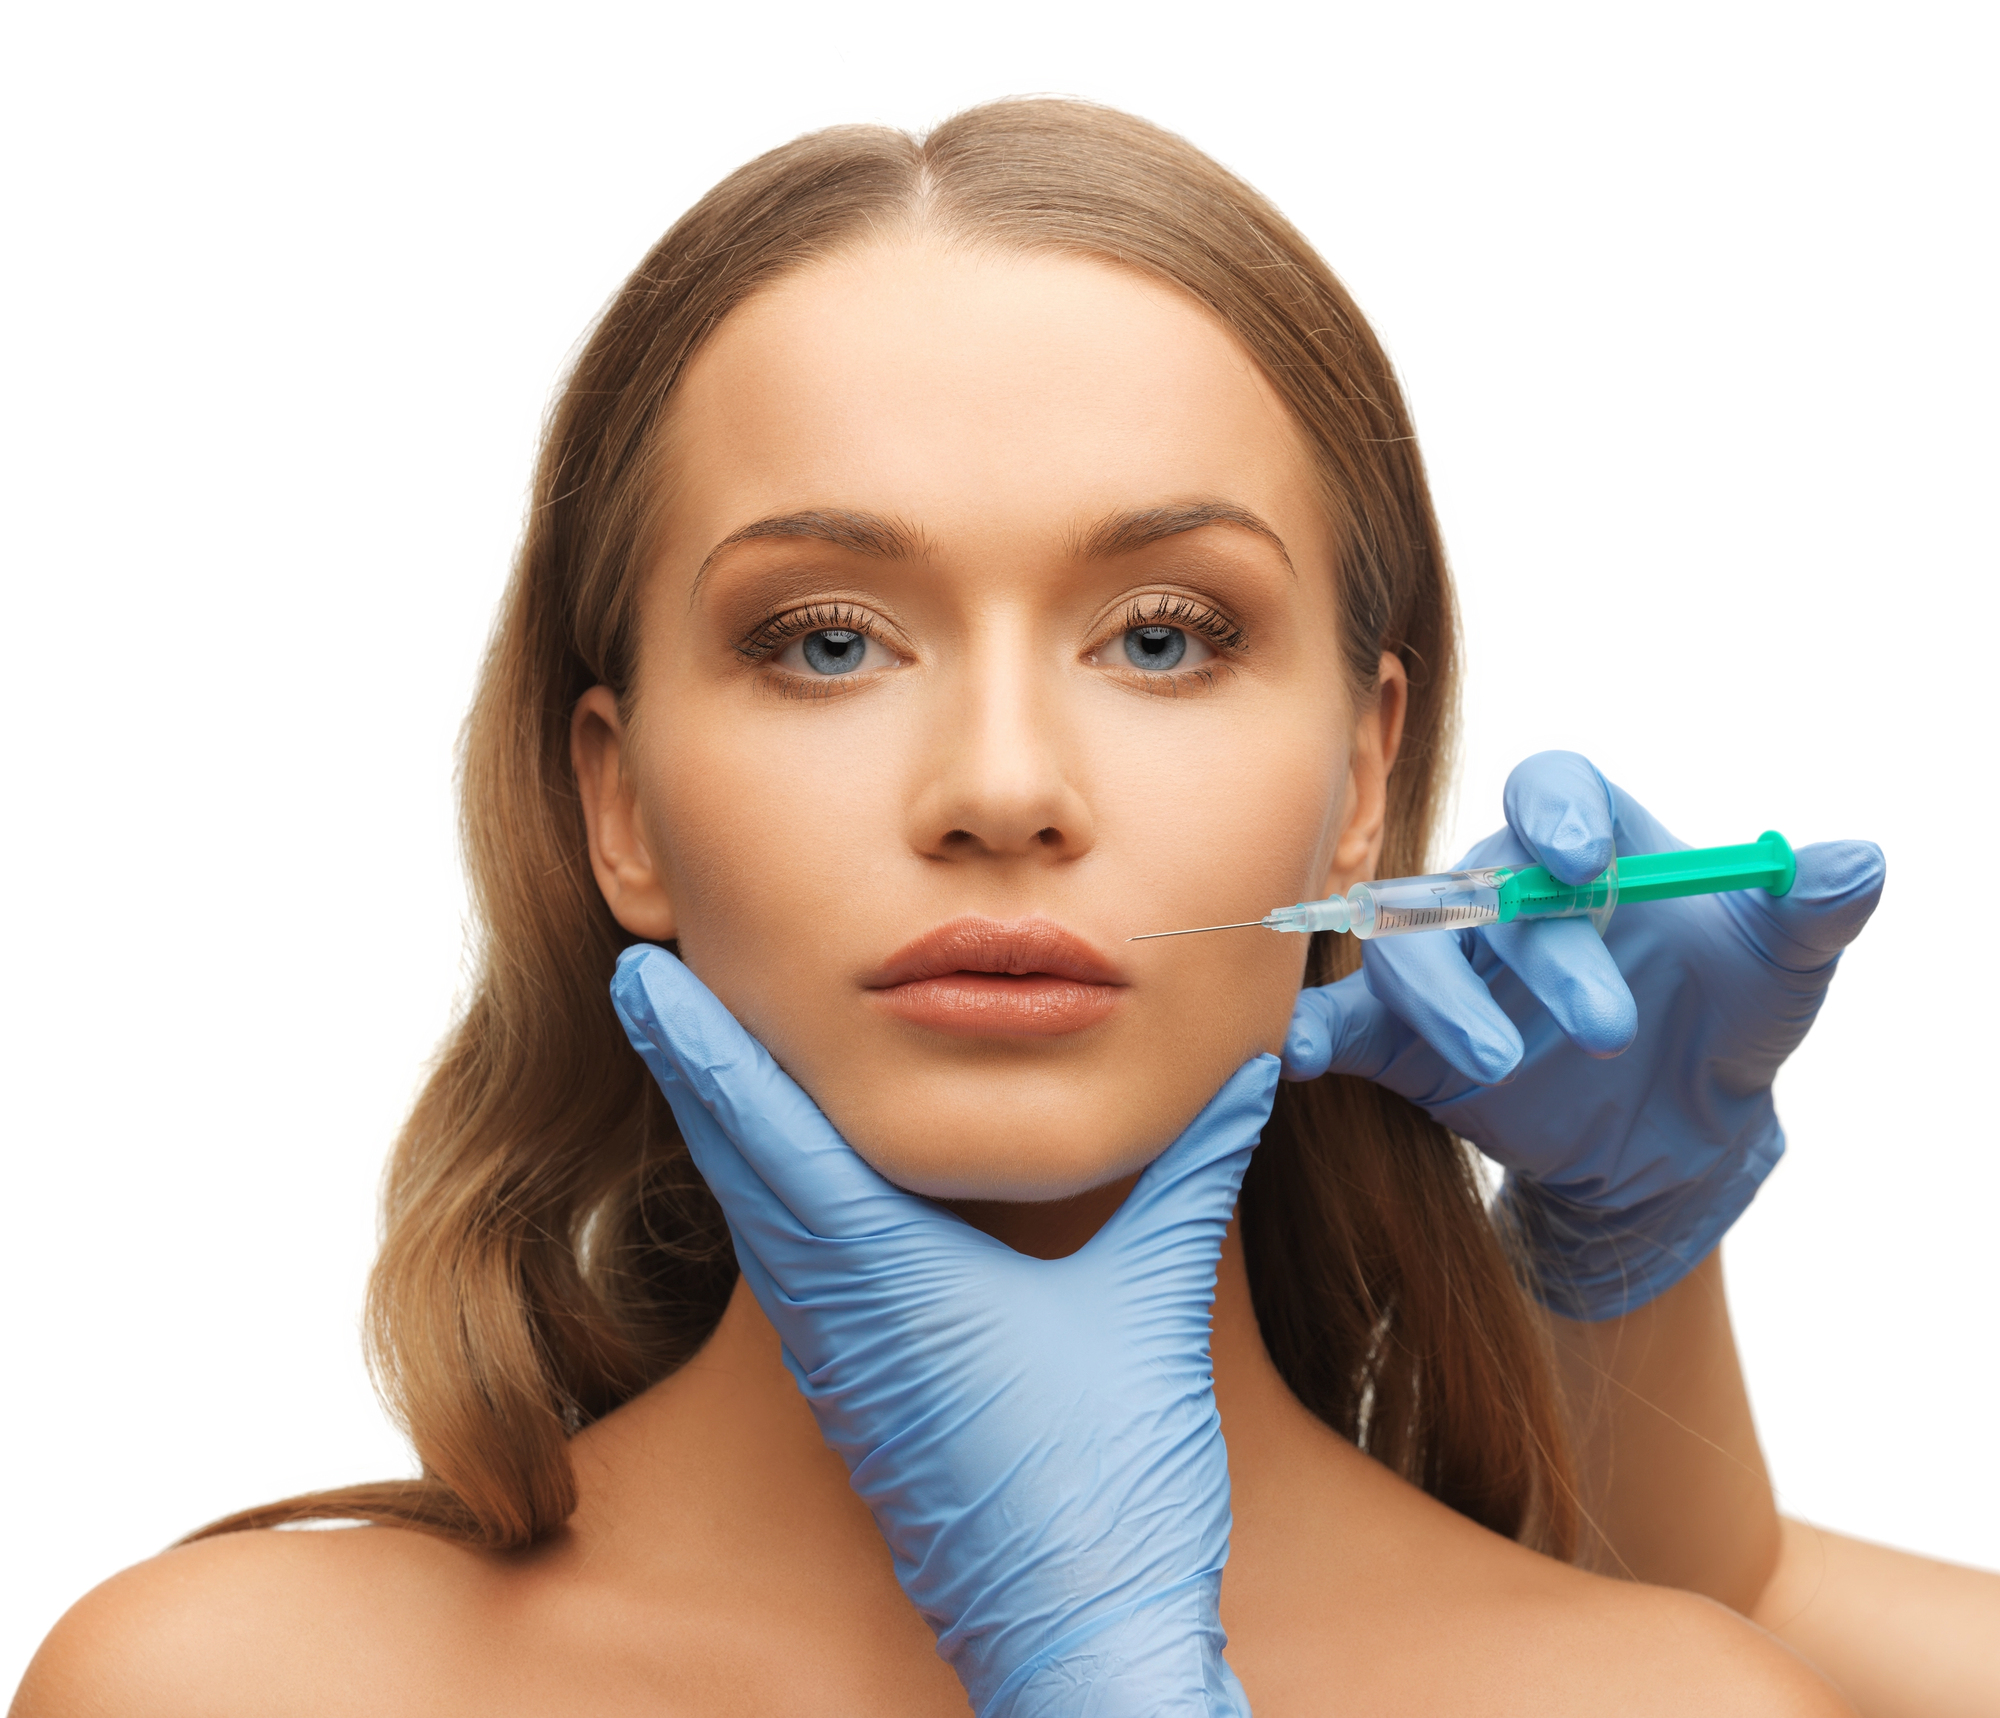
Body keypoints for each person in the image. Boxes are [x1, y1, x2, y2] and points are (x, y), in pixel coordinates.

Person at [17, 99, 1995, 1717]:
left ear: (1360, 786)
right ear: (614, 801)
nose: (998, 790)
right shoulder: (231, 1686)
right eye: (821, 642)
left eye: (1157, 634)